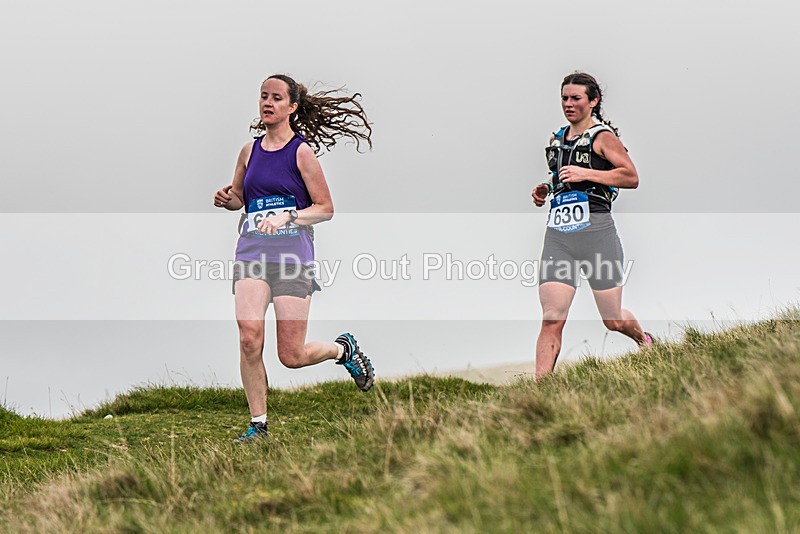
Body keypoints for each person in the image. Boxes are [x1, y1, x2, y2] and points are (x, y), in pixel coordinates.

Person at [213, 74, 375, 442]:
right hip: (251, 252)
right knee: (249, 338)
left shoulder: (301, 153)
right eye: (263, 96)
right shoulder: (248, 152)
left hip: (292, 258)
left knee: (292, 355)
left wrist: (288, 216)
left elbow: (325, 208)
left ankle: (343, 350)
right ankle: (258, 425)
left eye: (276, 98)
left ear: (292, 106)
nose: (267, 103)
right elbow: (240, 198)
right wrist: (228, 200)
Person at [531, 71, 652, 379]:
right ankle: (539, 389)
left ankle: (645, 341)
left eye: (576, 98)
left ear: (593, 101)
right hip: (559, 237)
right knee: (552, 317)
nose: (568, 104)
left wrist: (587, 174)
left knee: (613, 320)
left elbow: (631, 177)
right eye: (564, 98)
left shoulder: (603, 138)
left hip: (597, 234)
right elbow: (563, 177)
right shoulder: (557, 139)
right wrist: (547, 188)